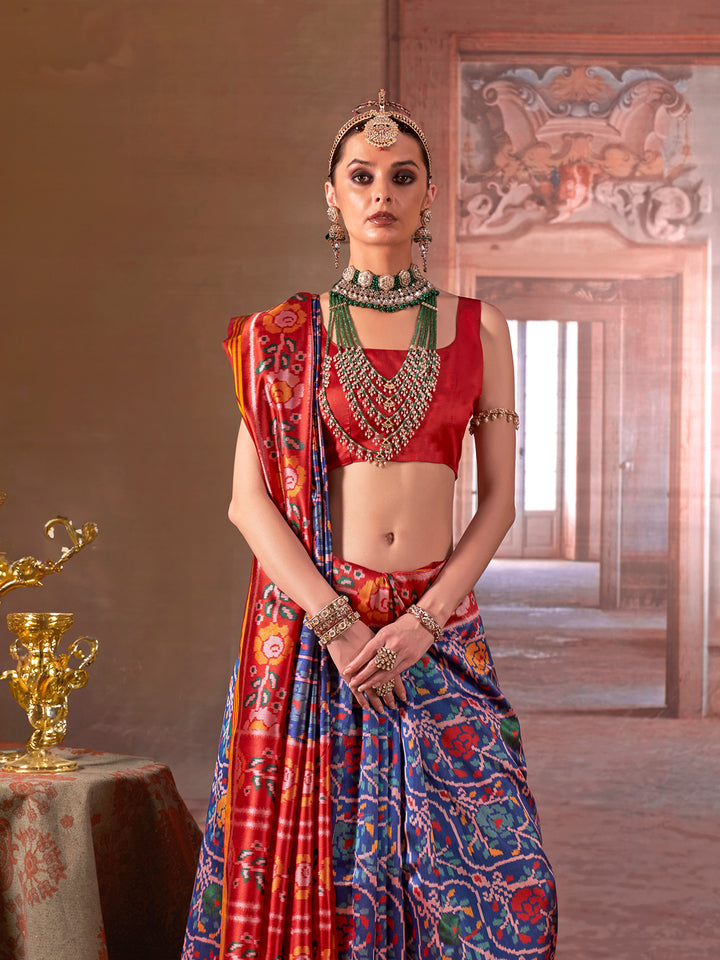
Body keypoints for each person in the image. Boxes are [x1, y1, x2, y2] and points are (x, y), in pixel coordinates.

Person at [183, 90, 557, 960]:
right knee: (330, 867)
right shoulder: (285, 337)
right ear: (332, 195)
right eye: (361, 176)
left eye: (402, 176)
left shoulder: (478, 327)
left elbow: (498, 501)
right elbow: (250, 503)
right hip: (321, 632)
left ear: (428, 196)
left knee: (504, 887)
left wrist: (424, 624)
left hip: (436, 629)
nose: (381, 191)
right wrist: (339, 623)